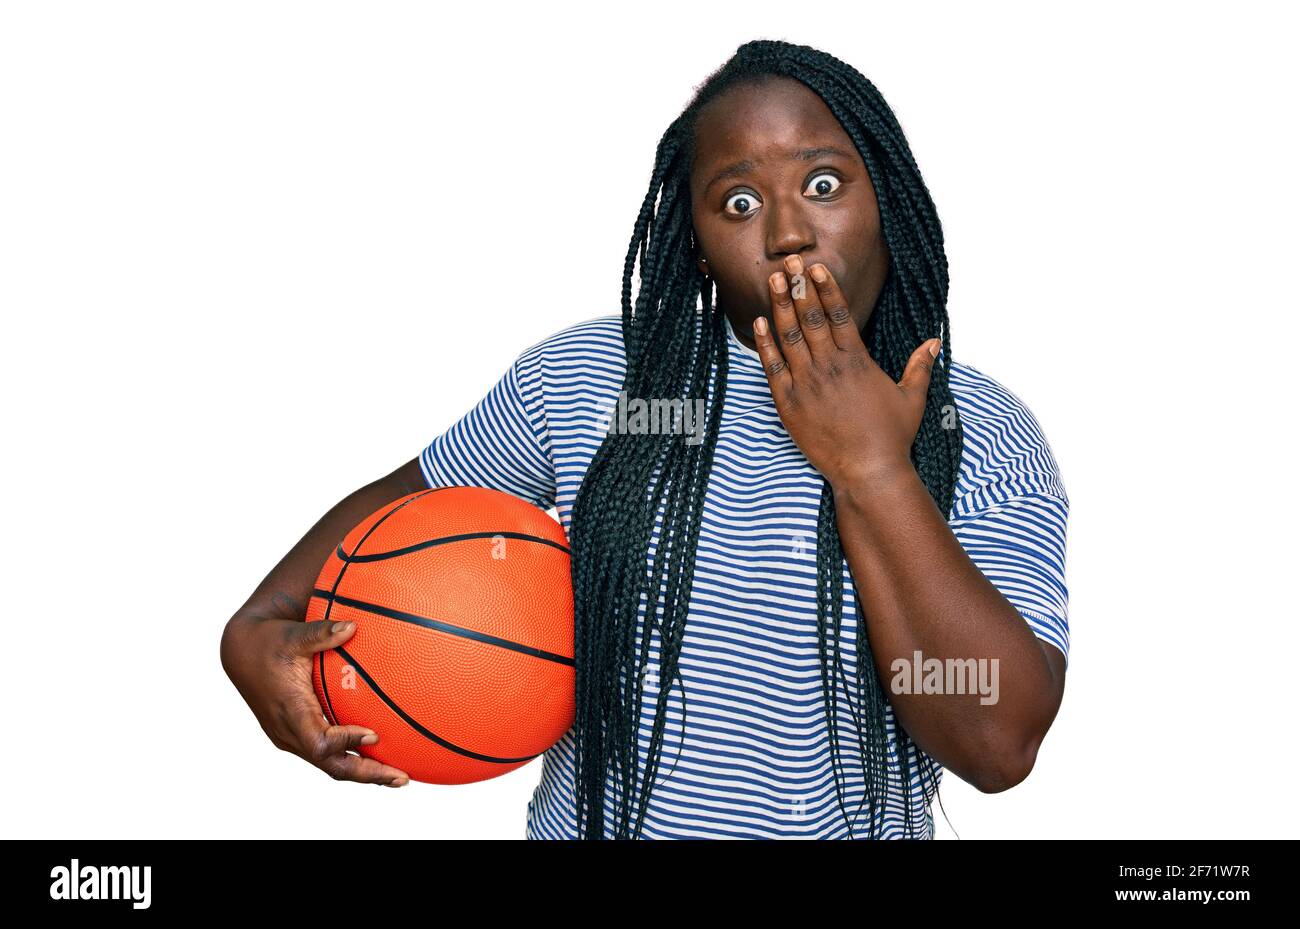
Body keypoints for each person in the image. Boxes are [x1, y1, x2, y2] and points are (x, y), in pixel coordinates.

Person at [221, 38, 1070, 840]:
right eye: (738, 201)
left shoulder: (980, 431)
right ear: (694, 243)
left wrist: (873, 468)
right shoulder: (595, 383)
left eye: (823, 185)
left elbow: (998, 742)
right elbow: (380, 536)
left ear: (890, 197)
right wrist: (253, 634)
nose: (786, 233)